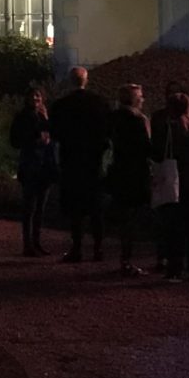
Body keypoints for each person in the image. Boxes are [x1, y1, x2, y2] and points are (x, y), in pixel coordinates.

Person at [48, 67, 110, 263]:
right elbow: (107, 132)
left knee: (75, 209)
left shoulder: (61, 105)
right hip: (93, 161)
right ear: (86, 80)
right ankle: (98, 248)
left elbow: (54, 133)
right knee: (95, 208)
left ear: (70, 81)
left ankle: (77, 248)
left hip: (71, 161)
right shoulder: (100, 103)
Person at [153, 92, 189, 281]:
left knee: (174, 226)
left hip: (174, 180)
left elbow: (156, 154)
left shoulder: (167, 129)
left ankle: (175, 268)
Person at [107, 84, 154, 275]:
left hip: (119, 171)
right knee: (131, 218)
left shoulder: (113, 118)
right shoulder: (139, 120)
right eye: (140, 96)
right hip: (136, 173)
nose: (143, 99)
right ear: (134, 99)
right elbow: (148, 147)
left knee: (124, 216)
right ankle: (127, 259)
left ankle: (124, 258)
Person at [9, 87, 57, 257]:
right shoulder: (22, 117)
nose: (36, 98)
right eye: (33, 95)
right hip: (31, 165)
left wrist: (46, 119)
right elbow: (15, 140)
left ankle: (36, 242)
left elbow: (52, 135)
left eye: (38, 95)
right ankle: (27, 244)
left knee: (40, 208)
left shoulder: (43, 115)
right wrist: (34, 138)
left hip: (44, 166)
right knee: (29, 206)